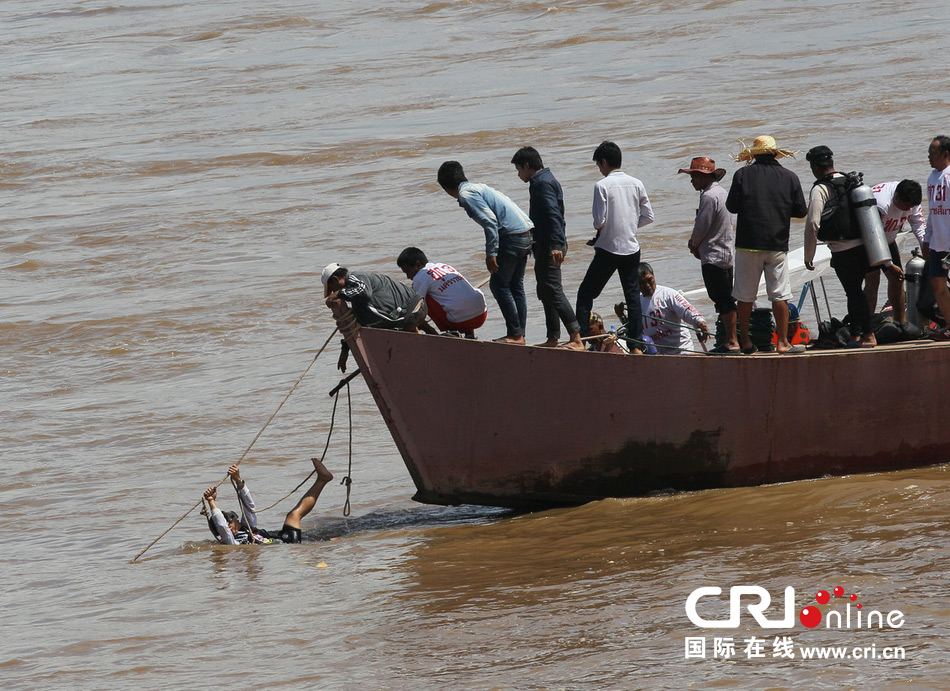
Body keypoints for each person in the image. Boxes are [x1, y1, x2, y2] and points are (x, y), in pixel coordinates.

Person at [803, 146, 902, 347]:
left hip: (843, 250)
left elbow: (813, 223)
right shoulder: (850, 181)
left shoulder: (820, 188)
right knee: (856, 292)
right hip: (865, 247)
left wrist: (809, 254)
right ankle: (856, 334)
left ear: (814, 167)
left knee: (854, 293)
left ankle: (868, 335)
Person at [727, 135, 808, 354]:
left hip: (747, 244)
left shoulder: (742, 174)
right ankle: (782, 342)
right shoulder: (790, 177)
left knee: (744, 296)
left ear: (753, 155)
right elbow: (801, 211)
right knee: (780, 294)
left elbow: (732, 206)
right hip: (777, 243)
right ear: (775, 153)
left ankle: (745, 342)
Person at [437, 161, 534, 345]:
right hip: (526, 234)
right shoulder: (478, 187)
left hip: (512, 238)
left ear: (446, 187)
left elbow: (490, 222)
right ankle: (519, 333)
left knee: (499, 285)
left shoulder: (466, 194)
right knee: (515, 286)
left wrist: (491, 254)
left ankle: (515, 335)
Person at [575, 141, 654, 346]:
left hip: (609, 248)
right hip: (631, 248)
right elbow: (648, 216)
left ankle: (580, 340)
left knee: (585, 294)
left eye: (599, 165)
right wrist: (628, 225)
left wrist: (612, 227)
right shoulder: (637, 183)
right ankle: (636, 345)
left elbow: (599, 221)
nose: (600, 170)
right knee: (632, 297)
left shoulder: (602, 185)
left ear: (603, 162)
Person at [511, 147, 584, 350]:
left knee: (552, 290)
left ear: (527, 165)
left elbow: (553, 215)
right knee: (544, 291)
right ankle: (553, 337)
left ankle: (576, 338)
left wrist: (555, 245)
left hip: (551, 246)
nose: (518, 175)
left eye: (518, 170)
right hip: (545, 245)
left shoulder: (542, 183)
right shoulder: (543, 180)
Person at [679, 156, 738, 354]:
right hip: (725, 253)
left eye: (694, 176)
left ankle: (731, 341)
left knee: (723, 300)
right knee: (725, 299)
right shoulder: (721, 193)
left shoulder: (708, 197)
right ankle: (729, 339)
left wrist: (693, 244)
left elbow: (701, 227)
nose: (692, 180)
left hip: (713, 256)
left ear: (703, 177)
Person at [322, 262, 427, 371]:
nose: (333, 292)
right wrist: (345, 350)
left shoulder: (356, 277)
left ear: (335, 280)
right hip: (415, 313)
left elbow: (364, 292)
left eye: (333, 289)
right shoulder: (358, 302)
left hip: (413, 311)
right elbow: (357, 324)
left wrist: (338, 294)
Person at [204, 460, 333, 545]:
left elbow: (249, 506)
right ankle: (322, 480)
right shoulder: (232, 542)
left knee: (295, 517)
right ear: (229, 526)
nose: (234, 520)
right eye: (230, 521)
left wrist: (239, 481)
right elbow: (221, 526)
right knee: (294, 515)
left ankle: (322, 480)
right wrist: (211, 502)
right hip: (288, 545)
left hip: (282, 537)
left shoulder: (248, 526)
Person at [864, 180, 926, 322]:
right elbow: (873, 236)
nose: (907, 210)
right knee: (873, 279)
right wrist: (888, 265)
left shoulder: (912, 200)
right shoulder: (880, 204)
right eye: (906, 207)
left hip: (888, 239)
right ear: (896, 197)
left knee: (898, 279)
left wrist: (926, 248)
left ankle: (900, 322)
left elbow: (918, 226)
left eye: (911, 207)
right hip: (869, 242)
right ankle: (866, 326)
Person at [396, 247, 487, 338]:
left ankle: (442, 334)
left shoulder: (420, 276)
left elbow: (415, 309)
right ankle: (469, 335)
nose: (408, 276)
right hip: (481, 315)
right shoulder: (444, 266)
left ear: (418, 265)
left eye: (408, 271)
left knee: (419, 301)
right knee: (456, 294)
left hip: (460, 322)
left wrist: (420, 327)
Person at [635, 262, 709, 354]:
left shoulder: (668, 294)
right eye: (642, 283)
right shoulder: (637, 303)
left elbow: (687, 310)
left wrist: (700, 322)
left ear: (654, 277)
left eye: (650, 280)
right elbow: (634, 329)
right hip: (659, 354)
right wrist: (621, 315)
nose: (647, 285)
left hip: (682, 350)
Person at [924, 136, 950, 340]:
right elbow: (932, 211)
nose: (929, 156)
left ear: (945, 154)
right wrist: (927, 238)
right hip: (937, 243)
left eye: (932, 152)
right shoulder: (932, 177)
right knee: (937, 285)